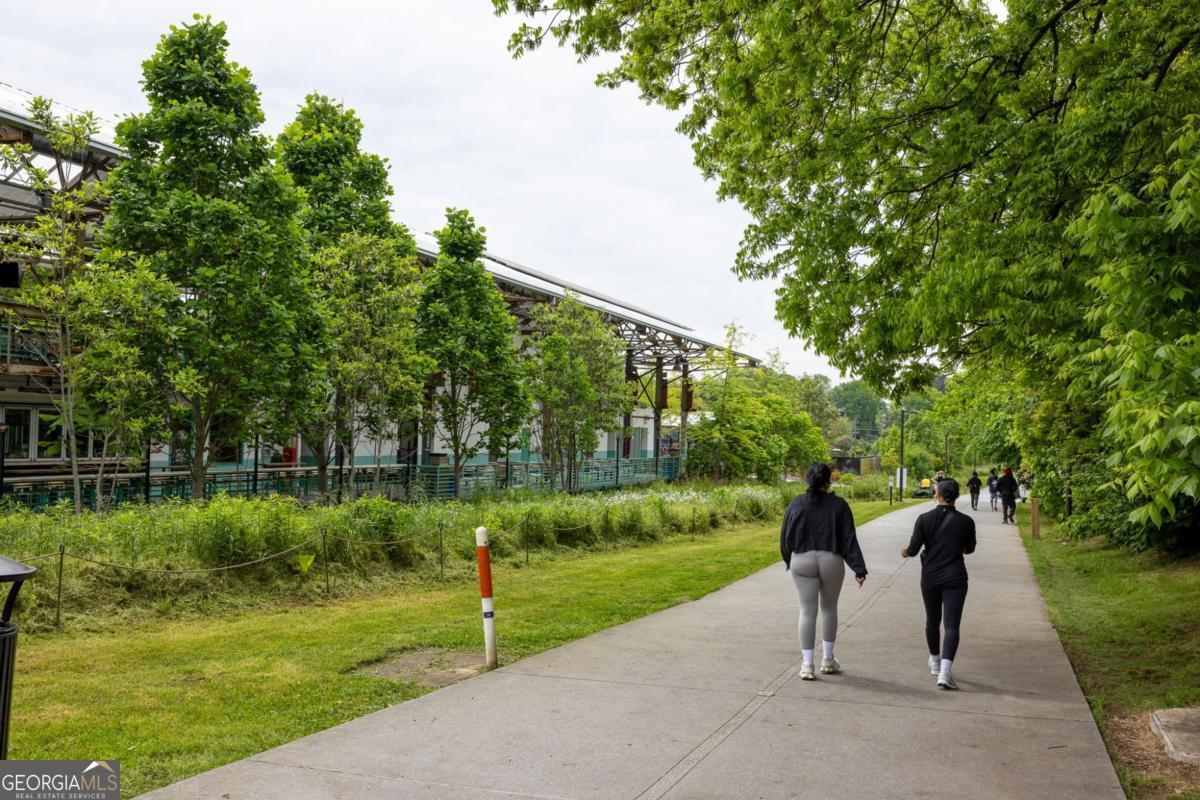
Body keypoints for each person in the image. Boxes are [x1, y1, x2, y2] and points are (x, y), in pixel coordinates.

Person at [780, 462, 868, 680]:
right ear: (829, 481)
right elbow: (848, 538)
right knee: (829, 608)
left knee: (806, 611)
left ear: (807, 479)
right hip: (831, 560)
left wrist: (790, 559)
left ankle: (807, 664)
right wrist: (858, 568)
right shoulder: (839, 505)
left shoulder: (796, 504)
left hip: (802, 559)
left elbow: (785, 536)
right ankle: (828, 659)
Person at [900, 478, 976, 690]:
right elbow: (970, 549)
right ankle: (945, 672)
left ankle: (934, 661)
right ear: (957, 496)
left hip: (930, 577)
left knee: (932, 620)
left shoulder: (924, 519)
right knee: (952, 625)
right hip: (956, 578)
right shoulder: (966, 521)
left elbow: (913, 550)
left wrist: (904, 552)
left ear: (937, 494)